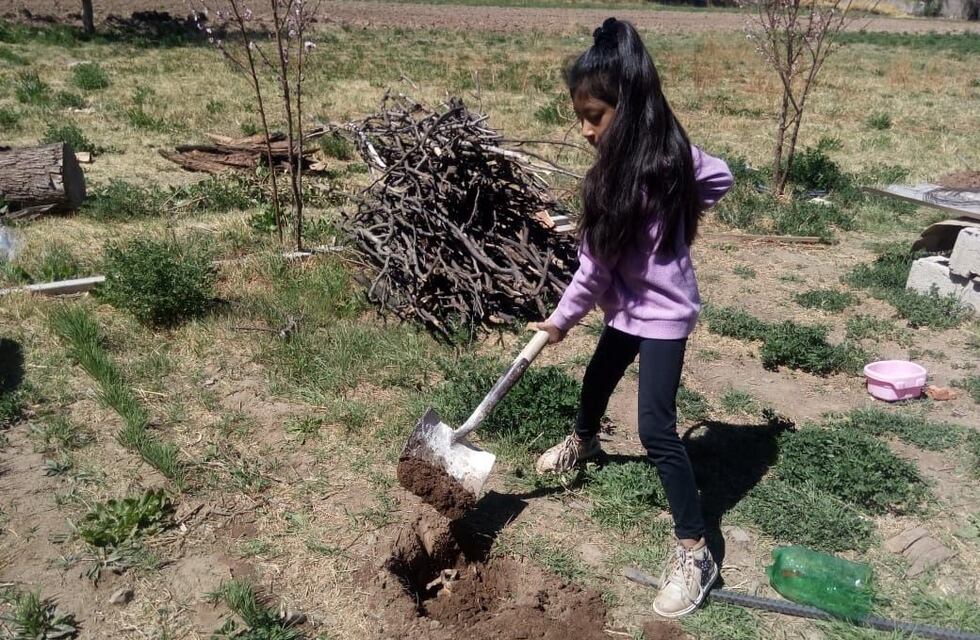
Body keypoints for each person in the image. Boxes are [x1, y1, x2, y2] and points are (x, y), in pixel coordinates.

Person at [530, 17, 734, 618]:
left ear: (630, 107)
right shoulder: (608, 183)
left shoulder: (668, 164)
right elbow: (594, 273)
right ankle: (585, 442)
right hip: (624, 311)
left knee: (656, 429)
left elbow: (718, 175)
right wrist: (562, 320)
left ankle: (695, 551)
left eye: (595, 116)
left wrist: (677, 213)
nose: (586, 130)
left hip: (666, 315)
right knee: (597, 379)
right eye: (581, 118)